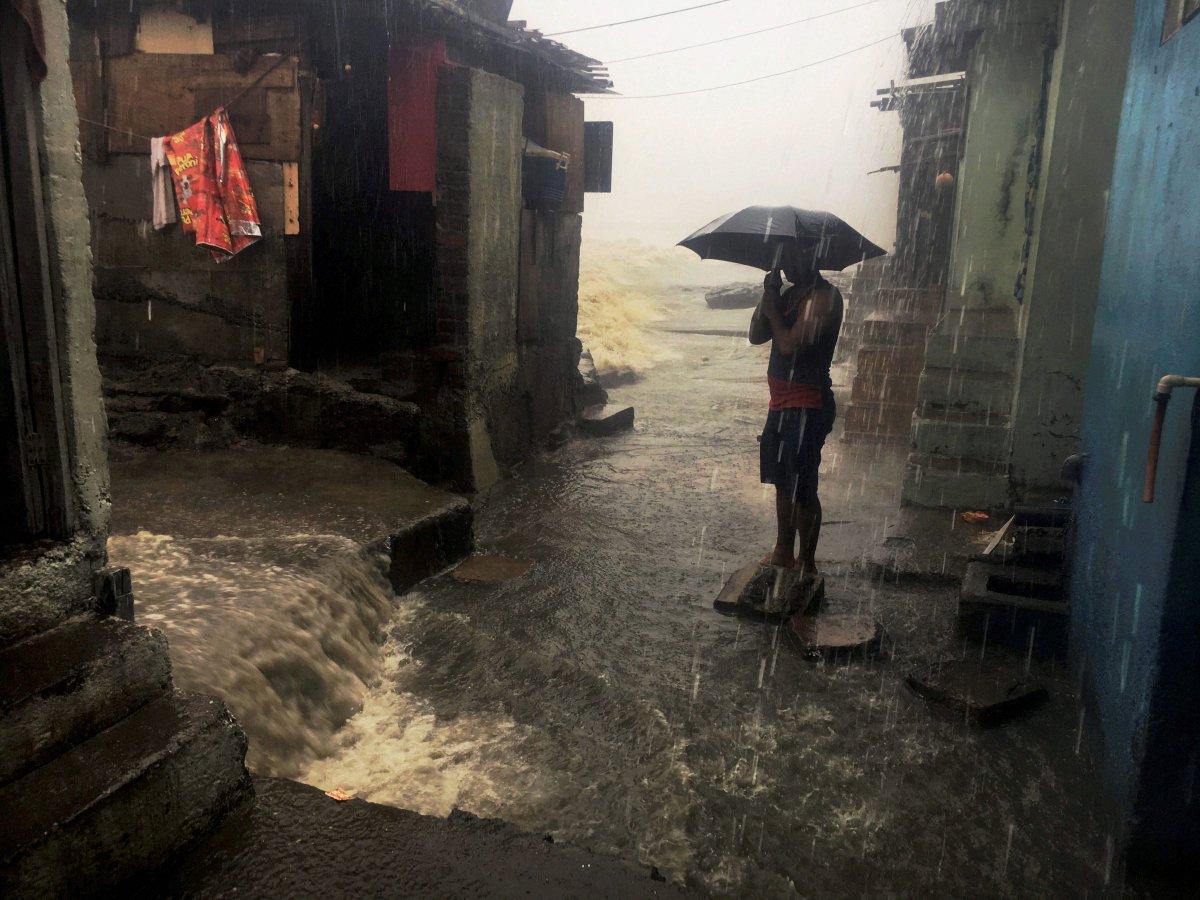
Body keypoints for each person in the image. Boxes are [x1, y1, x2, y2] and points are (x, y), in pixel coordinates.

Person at [747, 244, 844, 580]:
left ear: (811, 257)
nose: (784, 263)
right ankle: (783, 550)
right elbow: (755, 336)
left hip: (808, 403)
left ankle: (807, 559)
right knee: (782, 481)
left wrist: (774, 314)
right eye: (782, 258)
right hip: (780, 403)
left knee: (803, 485)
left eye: (790, 256)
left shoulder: (825, 298)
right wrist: (769, 295)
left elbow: (789, 346)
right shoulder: (789, 295)